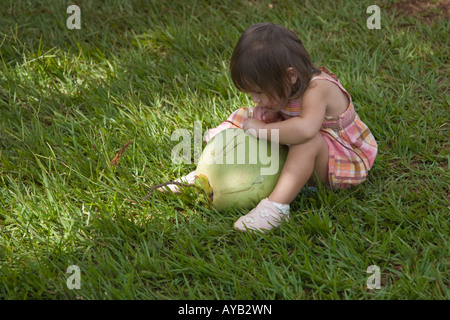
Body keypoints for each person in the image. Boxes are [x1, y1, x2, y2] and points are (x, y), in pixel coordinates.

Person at [161, 22, 378, 233]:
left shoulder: (318, 88)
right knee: (244, 116)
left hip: (338, 158)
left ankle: (276, 207)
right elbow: (287, 117)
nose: (256, 99)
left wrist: (261, 130)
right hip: (302, 145)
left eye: (259, 93)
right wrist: (271, 115)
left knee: (306, 143)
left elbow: (306, 129)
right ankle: (208, 173)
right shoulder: (287, 87)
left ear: (290, 76)